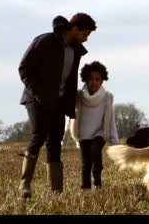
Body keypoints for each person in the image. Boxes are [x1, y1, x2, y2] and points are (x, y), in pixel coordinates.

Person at [18, 13, 96, 198]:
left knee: (55, 144)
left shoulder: (76, 50)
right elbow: (24, 69)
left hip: (58, 103)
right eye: (85, 34)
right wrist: (39, 95)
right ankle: (24, 186)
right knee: (38, 136)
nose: (86, 39)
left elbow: (68, 79)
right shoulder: (45, 41)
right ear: (74, 29)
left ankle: (56, 193)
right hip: (36, 99)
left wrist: (69, 104)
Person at [67, 61, 119, 189]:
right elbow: (71, 118)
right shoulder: (79, 97)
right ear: (85, 80)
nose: (94, 82)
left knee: (95, 152)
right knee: (86, 163)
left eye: (97, 79)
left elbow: (110, 119)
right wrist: (65, 138)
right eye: (90, 79)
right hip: (83, 135)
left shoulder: (107, 97)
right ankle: (85, 187)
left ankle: (97, 182)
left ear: (102, 81)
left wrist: (114, 139)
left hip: (100, 133)